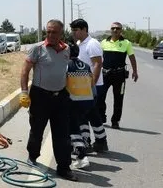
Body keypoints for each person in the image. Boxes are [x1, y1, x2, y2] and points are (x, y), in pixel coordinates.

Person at [19, 19, 78, 181]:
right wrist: (24, 92)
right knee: (37, 130)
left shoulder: (66, 50)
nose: (51, 35)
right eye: (48, 32)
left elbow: (67, 72)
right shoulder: (37, 49)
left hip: (61, 97)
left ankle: (64, 168)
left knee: (62, 134)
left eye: (54, 32)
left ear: (61, 33)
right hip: (40, 96)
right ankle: (32, 156)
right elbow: (24, 72)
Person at [69, 19, 108, 153]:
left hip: (93, 86)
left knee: (93, 115)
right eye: (73, 30)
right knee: (82, 115)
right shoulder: (80, 44)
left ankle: (101, 141)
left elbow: (97, 64)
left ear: (84, 29)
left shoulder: (92, 44)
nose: (74, 33)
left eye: (76, 30)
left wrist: (92, 84)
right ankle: (86, 141)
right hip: (83, 87)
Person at [99, 21, 138, 129]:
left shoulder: (126, 43)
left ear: (121, 30)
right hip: (105, 75)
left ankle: (115, 121)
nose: (115, 30)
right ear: (110, 30)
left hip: (119, 76)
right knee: (100, 97)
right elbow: (98, 58)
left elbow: (132, 58)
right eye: (113, 28)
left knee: (118, 99)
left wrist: (135, 71)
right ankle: (102, 116)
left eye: (118, 28)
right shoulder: (103, 42)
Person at [65, 41, 95, 169]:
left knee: (72, 129)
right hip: (87, 102)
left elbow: (62, 82)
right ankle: (82, 145)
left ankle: (82, 155)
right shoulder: (86, 65)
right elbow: (92, 83)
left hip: (73, 102)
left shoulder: (67, 66)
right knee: (81, 124)